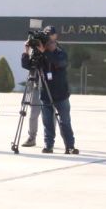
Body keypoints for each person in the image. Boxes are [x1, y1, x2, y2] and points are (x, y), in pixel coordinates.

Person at [22, 25, 78, 155]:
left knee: (65, 122)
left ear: (55, 43)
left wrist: (45, 52)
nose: (48, 45)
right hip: (45, 94)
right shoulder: (41, 55)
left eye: (50, 43)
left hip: (61, 95)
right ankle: (48, 146)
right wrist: (26, 51)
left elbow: (59, 63)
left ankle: (70, 146)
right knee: (47, 122)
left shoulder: (60, 53)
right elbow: (27, 65)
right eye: (47, 43)